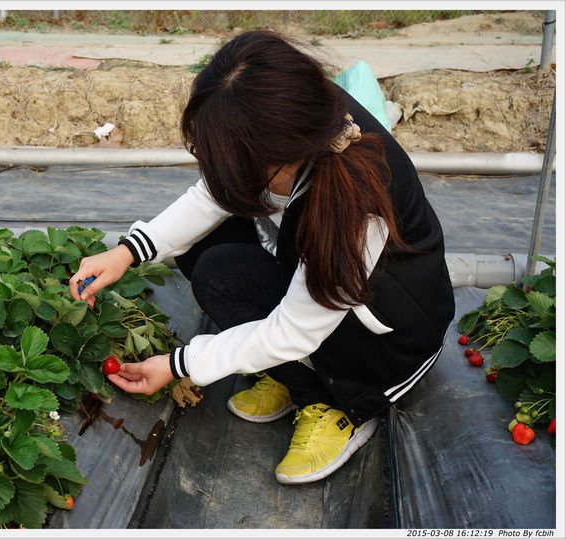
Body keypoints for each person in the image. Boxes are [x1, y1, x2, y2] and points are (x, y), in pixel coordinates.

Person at [69, 30, 455, 485]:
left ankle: (340, 406)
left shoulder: (353, 210)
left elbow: (291, 331)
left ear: (278, 156)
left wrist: (179, 364)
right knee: (206, 252)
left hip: (387, 341)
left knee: (230, 283)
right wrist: (129, 252)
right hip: (327, 283)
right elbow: (215, 192)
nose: (221, 173)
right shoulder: (300, 111)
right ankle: (295, 376)